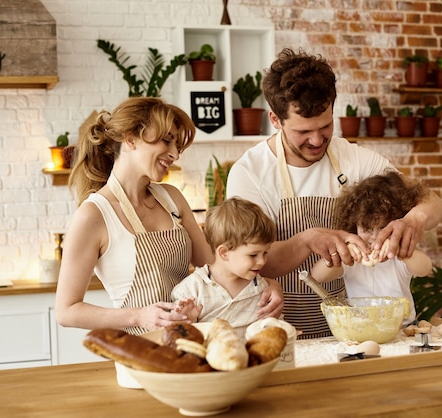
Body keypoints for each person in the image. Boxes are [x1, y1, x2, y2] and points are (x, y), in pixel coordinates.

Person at [226, 48, 442, 338]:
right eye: (303, 131)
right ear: (275, 120)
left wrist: (414, 219)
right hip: (280, 330)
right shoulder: (250, 173)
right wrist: (307, 240)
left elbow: (433, 203)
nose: (317, 140)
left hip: (350, 334)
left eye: (325, 126)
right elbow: (247, 260)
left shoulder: (355, 159)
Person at [55, 97, 282, 336]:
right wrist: (139, 315)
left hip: (190, 345)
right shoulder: (93, 215)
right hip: (141, 349)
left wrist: (269, 286)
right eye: (166, 141)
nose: (175, 154)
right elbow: (67, 311)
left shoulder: (172, 198)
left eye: (177, 146)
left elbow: (216, 268)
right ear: (130, 139)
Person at [309, 170, 434, 325]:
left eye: (383, 228)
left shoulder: (399, 258)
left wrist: (400, 249)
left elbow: (425, 268)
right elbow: (318, 276)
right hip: (362, 329)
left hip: (402, 329)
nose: (375, 236)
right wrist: (343, 253)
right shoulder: (352, 260)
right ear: (354, 226)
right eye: (366, 230)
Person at [171, 197, 281, 337]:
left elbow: (273, 327)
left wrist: (282, 331)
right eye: (253, 255)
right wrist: (187, 321)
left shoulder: (263, 289)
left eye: (265, 252)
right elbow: (178, 338)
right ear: (224, 253)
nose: (262, 261)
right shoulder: (192, 290)